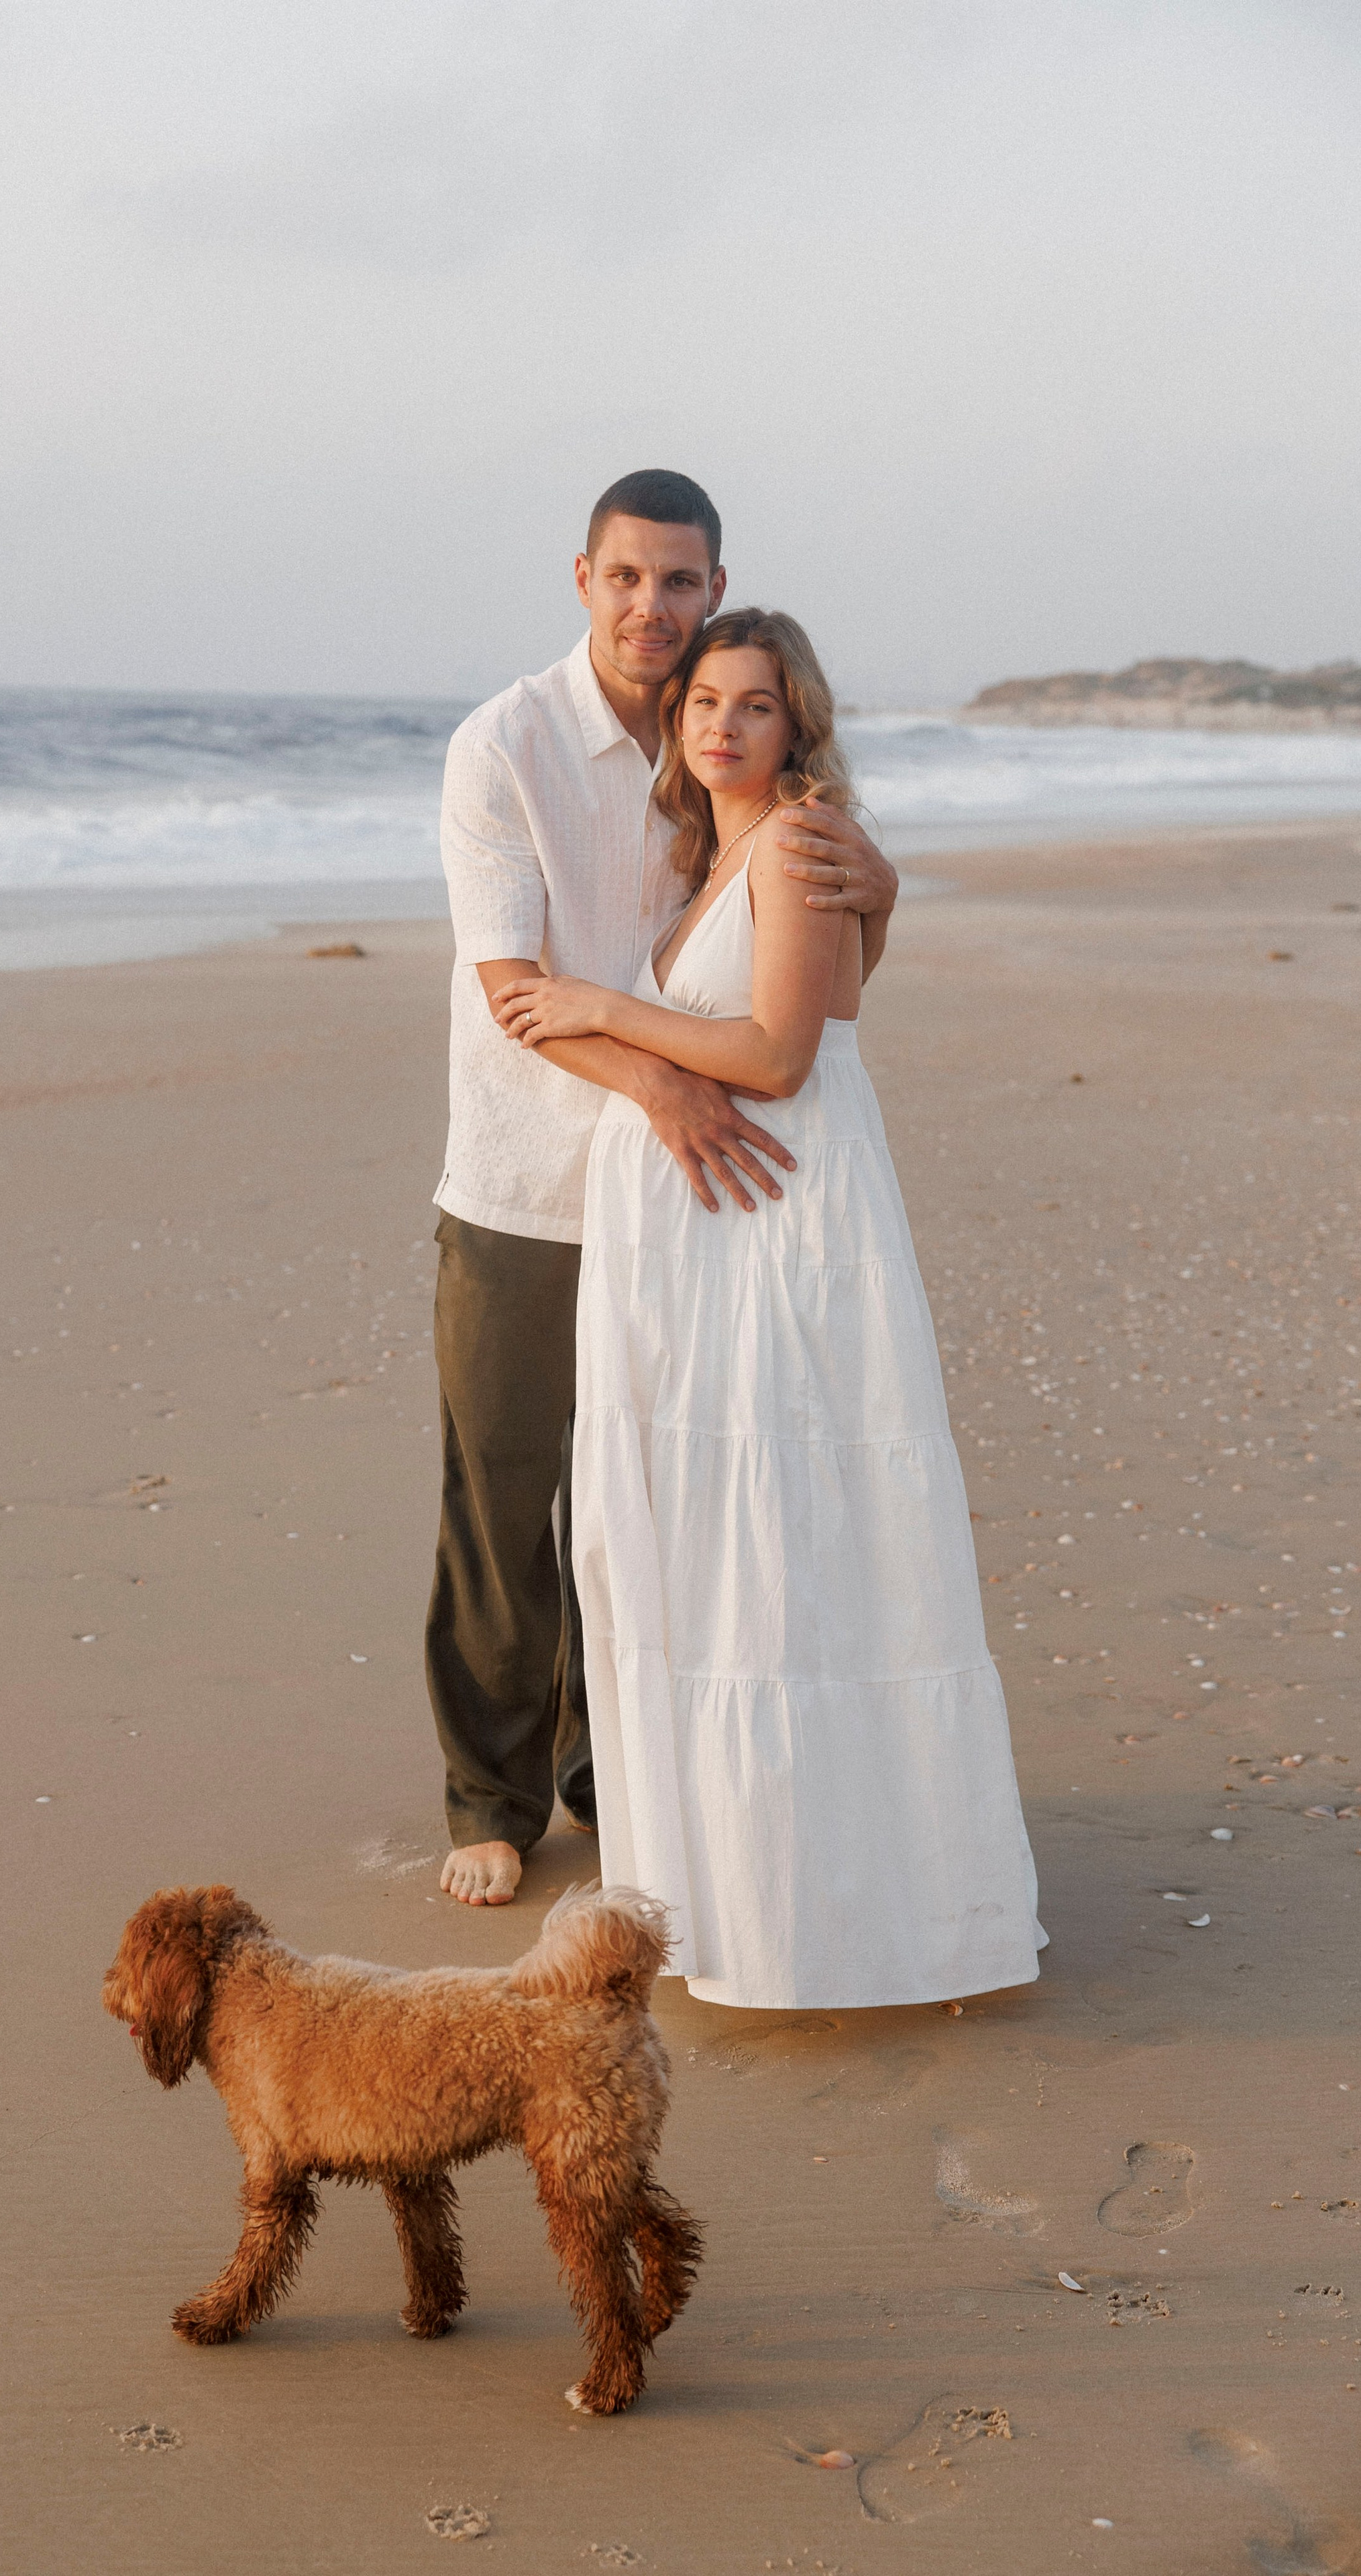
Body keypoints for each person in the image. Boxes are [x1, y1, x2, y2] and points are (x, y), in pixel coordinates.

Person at [492, 608, 1044, 2007]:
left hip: (772, 1233)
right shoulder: (720, 856)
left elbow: (779, 1055)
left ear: (794, 720)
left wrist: (595, 1010)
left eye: (752, 703)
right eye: (700, 705)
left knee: (781, 1556)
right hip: (729, 1240)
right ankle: (750, 1887)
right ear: (674, 728)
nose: (722, 725)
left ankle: (817, 1914)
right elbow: (825, 1001)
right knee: (741, 1555)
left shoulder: (795, 841)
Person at [430, 473, 899, 1907]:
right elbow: (516, 987)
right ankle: (491, 1796)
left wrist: (883, 892)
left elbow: (809, 980)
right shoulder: (502, 746)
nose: (652, 608)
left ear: (711, 589)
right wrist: (662, 1083)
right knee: (504, 1493)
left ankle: (611, 1773)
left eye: (679, 583)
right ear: (582, 578)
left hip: (685, 1211)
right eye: (627, 578)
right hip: (523, 1184)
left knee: (649, 1499)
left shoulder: (721, 755)